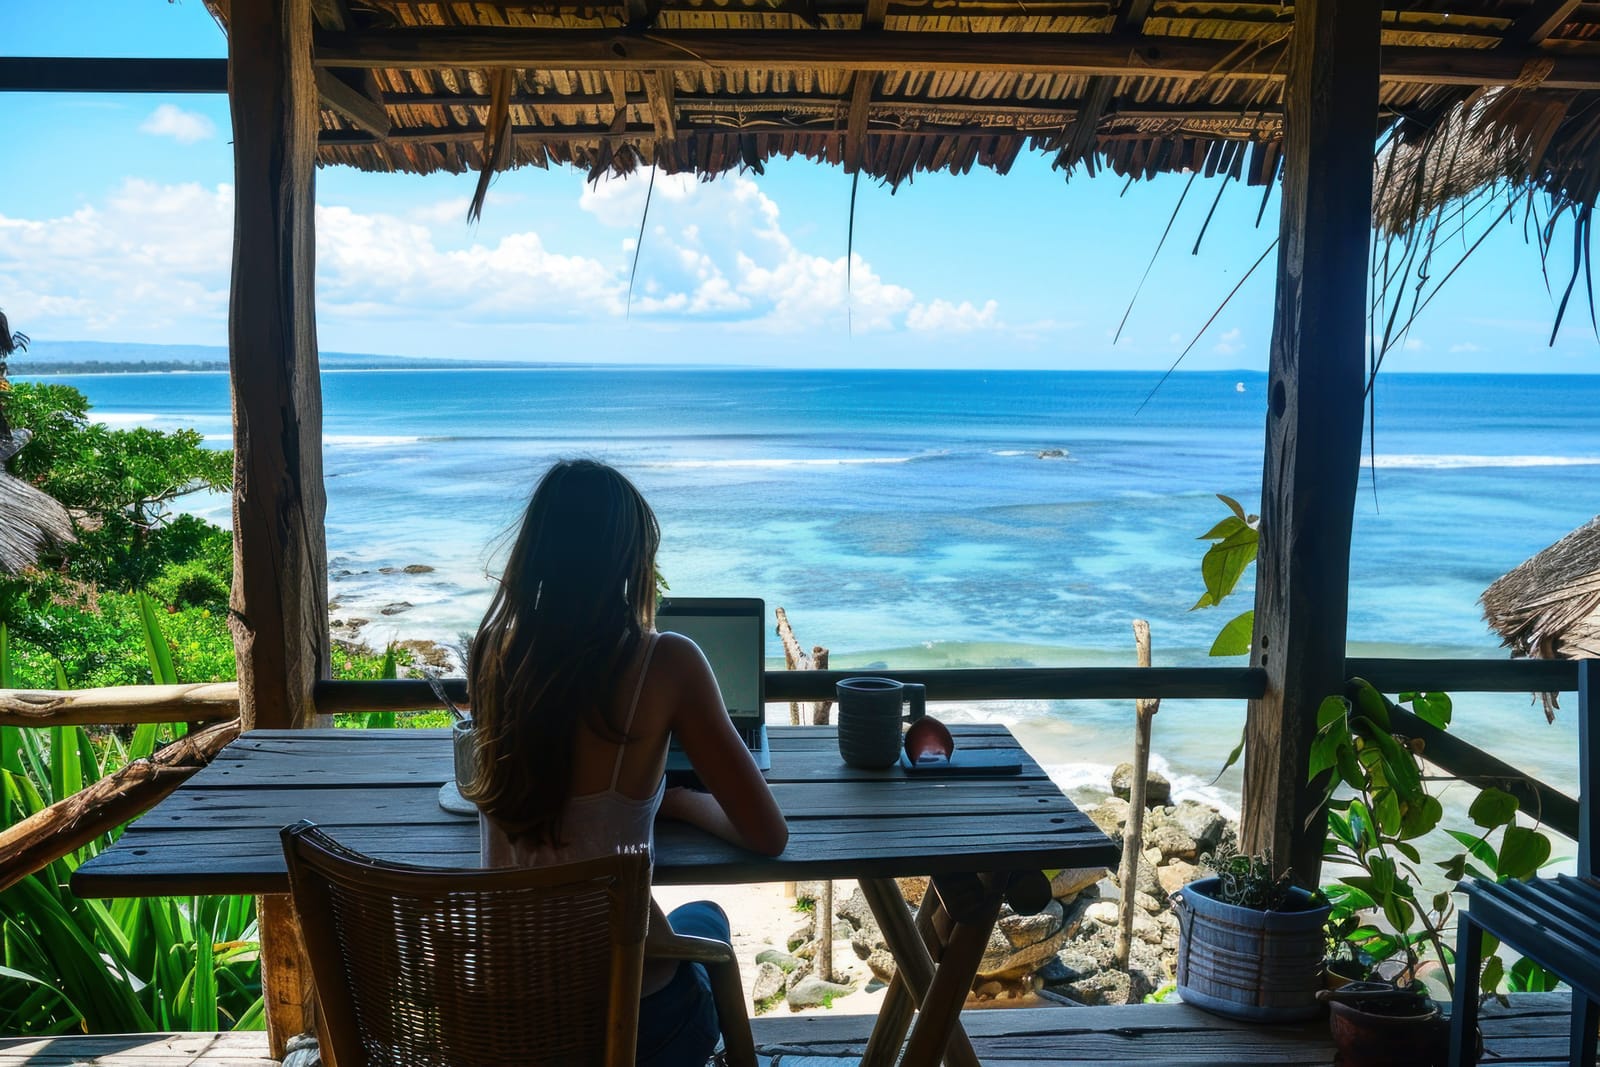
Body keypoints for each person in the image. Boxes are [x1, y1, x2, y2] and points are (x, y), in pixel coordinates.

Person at [463, 458, 788, 1067]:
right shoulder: (667, 663)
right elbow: (767, 835)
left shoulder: (493, 654)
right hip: (628, 1030)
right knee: (709, 921)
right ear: (632, 562)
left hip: (512, 1024)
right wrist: (680, 800)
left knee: (688, 921)